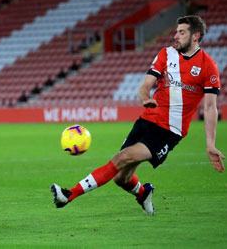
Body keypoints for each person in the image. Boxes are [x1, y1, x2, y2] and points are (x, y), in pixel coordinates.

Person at [51, 15, 225, 215]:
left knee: (123, 157)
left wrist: (210, 144)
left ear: (196, 36)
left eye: (181, 32)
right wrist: (144, 98)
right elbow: (145, 86)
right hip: (146, 120)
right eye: (176, 31)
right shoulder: (165, 54)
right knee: (120, 178)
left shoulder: (208, 66)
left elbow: (210, 107)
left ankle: (68, 195)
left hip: (169, 130)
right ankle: (143, 193)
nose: (175, 35)